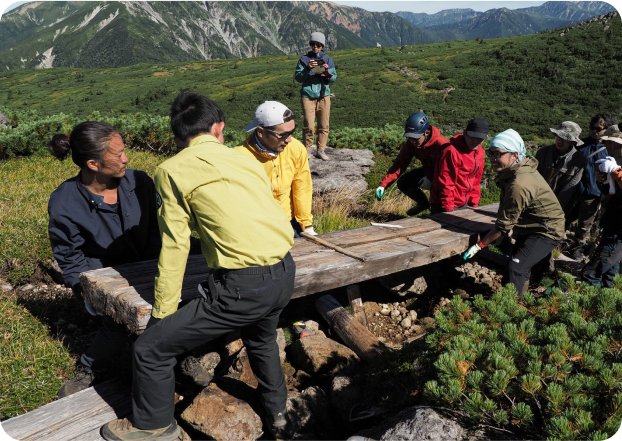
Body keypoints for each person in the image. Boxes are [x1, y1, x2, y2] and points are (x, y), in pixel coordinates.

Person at [101, 92, 295, 441]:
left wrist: (162, 316)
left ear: (177, 140)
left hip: (242, 286)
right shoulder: (245, 159)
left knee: (151, 349)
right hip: (284, 271)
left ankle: (153, 425)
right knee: (262, 338)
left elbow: (174, 247)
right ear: (219, 128)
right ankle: (278, 413)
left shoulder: (171, 171)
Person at [47, 121, 161, 398]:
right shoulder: (65, 201)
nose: (126, 159)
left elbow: (160, 228)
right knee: (118, 319)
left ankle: (179, 356)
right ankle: (89, 367)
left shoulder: (140, 182)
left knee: (165, 309)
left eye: (124, 151)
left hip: (149, 264)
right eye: (118, 154)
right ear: (93, 164)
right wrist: (88, 294)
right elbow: (69, 256)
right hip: (104, 274)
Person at [462, 129, 565, 298]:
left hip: (547, 230)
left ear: (514, 155)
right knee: (517, 263)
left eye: (498, 154)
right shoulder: (515, 171)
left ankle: (513, 308)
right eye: (490, 153)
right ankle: (519, 294)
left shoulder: (519, 183)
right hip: (532, 224)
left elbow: (503, 225)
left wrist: (480, 245)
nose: (493, 158)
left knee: (516, 268)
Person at [235, 101, 316, 238]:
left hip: (289, 223)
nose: (289, 139)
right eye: (283, 135)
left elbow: (302, 187)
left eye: (292, 131)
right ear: (261, 132)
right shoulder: (239, 158)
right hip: (257, 229)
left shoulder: (295, 148)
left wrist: (306, 225)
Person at [375, 112, 449, 216]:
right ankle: (423, 204)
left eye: (415, 137)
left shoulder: (442, 145)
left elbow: (450, 172)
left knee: (437, 213)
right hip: (428, 170)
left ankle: (436, 212)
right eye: (409, 137)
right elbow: (399, 164)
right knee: (404, 182)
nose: (412, 141)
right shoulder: (410, 145)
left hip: (444, 177)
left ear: (426, 133)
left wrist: (432, 178)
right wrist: (383, 185)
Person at [569, 114, 616, 261]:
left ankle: (584, 246)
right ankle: (574, 245)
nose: (594, 131)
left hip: (598, 191)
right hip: (578, 189)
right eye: (592, 128)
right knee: (575, 219)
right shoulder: (581, 144)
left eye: (599, 129)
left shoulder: (611, 147)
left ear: (607, 129)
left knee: (590, 222)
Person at [429, 118, 488, 213]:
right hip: (444, 204)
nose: (475, 141)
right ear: (464, 133)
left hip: (465, 203)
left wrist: (474, 203)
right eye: (472, 137)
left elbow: (476, 180)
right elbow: (446, 183)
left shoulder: (480, 152)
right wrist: (448, 209)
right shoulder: (451, 152)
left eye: (480, 138)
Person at [295, 31, 337, 161]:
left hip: (324, 95)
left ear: (322, 45)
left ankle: (321, 149)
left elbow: (334, 77)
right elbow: (298, 77)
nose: (315, 47)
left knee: (324, 125)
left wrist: (328, 74)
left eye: (318, 44)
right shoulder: (304, 59)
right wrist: (307, 68)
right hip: (308, 95)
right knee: (309, 124)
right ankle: (307, 149)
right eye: (313, 44)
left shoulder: (328, 59)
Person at [583, 153, 622, 287]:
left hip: (617, 233)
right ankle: (605, 299)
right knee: (609, 272)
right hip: (613, 226)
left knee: (593, 271)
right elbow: (614, 197)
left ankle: (589, 303)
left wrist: (616, 172)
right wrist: (605, 183)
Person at [535, 121, 587, 222]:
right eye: (558, 136)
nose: (560, 140)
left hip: (558, 206)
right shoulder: (543, 153)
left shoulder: (578, 161)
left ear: (572, 141)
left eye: (565, 139)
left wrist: (554, 210)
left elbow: (569, 190)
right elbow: (533, 178)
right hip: (536, 200)